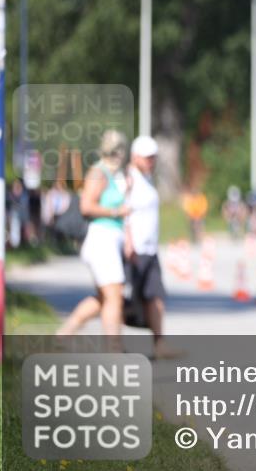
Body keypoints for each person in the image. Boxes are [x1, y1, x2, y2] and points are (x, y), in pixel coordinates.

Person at [57, 130, 131, 338]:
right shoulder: (99, 172)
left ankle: (64, 333)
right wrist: (116, 211)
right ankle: (112, 349)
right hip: (101, 239)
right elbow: (86, 206)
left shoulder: (115, 174)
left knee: (103, 297)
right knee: (114, 298)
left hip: (110, 239)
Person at [123, 136, 179, 358]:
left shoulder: (147, 179)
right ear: (135, 157)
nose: (151, 161)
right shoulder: (128, 179)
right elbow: (122, 211)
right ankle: (113, 344)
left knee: (156, 296)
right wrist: (128, 241)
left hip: (150, 248)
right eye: (147, 158)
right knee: (123, 301)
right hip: (134, 249)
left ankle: (159, 344)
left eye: (153, 158)